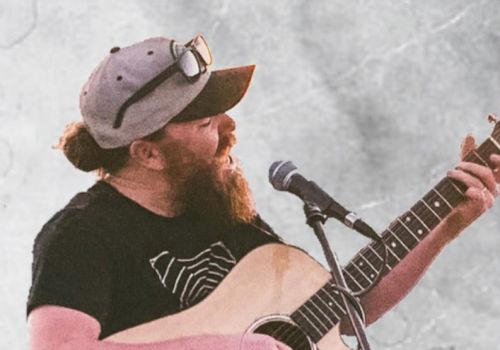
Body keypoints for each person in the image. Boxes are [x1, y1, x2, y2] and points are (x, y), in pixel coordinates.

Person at [27, 34, 500, 350]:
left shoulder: (220, 211)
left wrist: (445, 226)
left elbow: (347, 309)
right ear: (148, 153)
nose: (232, 126)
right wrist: (218, 346)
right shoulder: (81, 235)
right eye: (209, 122)